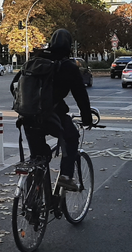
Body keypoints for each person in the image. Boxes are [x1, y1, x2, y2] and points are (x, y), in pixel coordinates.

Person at [11, 29, 93, 191]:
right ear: (69, 45)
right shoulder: (68, 66)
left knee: (39, 158)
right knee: (72, 137)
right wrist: (87, 117)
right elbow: (80, 96)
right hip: (51, 116)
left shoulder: (35, 60)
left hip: (27, 117)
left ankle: (34, 202)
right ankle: (65, 176)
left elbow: (15, 85)